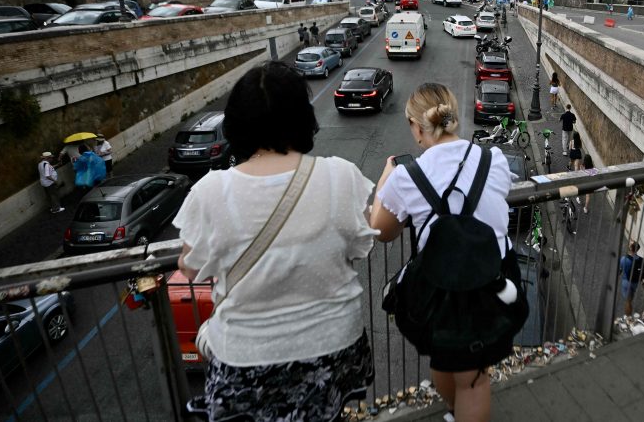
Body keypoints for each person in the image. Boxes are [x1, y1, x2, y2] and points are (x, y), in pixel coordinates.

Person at [175, 61, 376, 420]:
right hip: (333, 344)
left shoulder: (210, 192)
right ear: (303, 118)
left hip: (247, 355)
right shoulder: (341, 176)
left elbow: (190, 268)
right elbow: (360, 246)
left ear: (236, 124)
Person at [370, 83, 513, 422]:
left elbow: (381, 230)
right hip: (494, 277)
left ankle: (457, 410)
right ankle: (456, 412)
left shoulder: (407, 176)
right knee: (461, 368)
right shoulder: (493, 159)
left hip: (444, 290)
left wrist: (385, 178)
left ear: (417, 127)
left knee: (467, 377)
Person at [619, 241, 644, 315]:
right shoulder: (641, 260)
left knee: (628, 301)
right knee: (630, 299)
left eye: (630, 244)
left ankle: (628, 316)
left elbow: (619, 270)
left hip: (626, 282)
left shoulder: (624, 259)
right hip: (635, 283)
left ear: (631, 248)